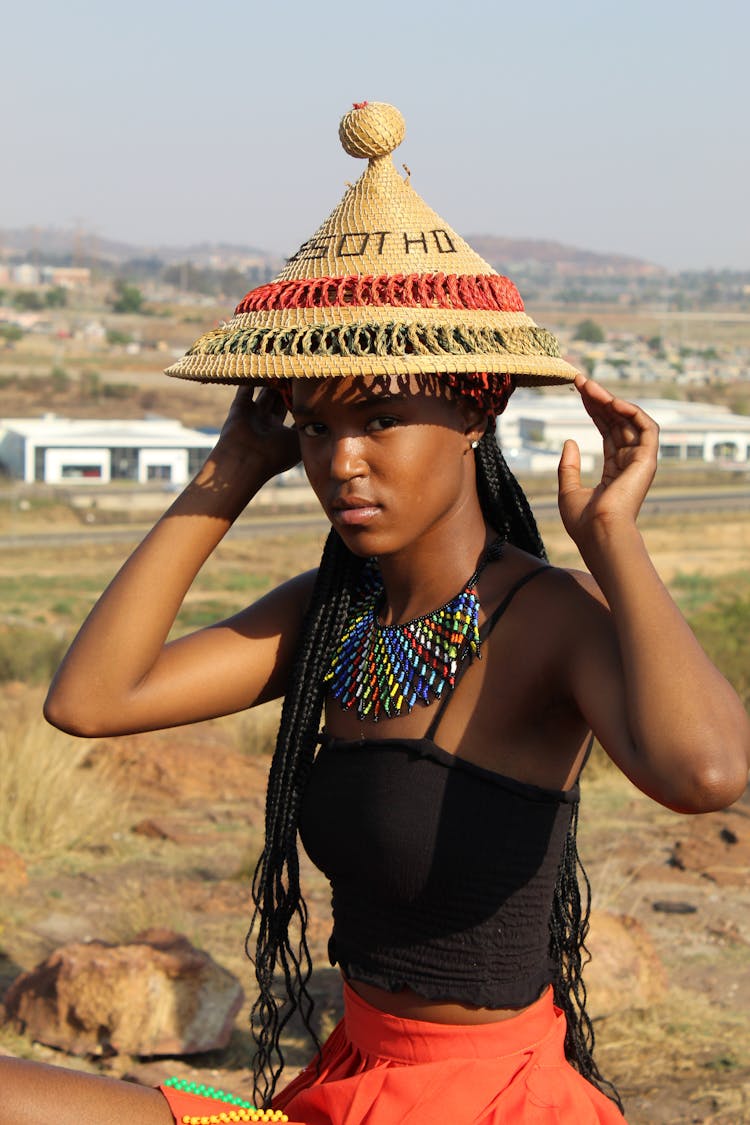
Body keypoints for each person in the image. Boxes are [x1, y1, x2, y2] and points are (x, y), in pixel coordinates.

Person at [2, 102, 748, 1125]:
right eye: (317, 426)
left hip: (490, 1105)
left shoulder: (543, 619)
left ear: (476, 409)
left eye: (382, 418)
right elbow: (89, 700)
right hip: (350, 1086)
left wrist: (614, 541)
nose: (340, 462)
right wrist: (231, 468)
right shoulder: (329, 618)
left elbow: (707, 775)